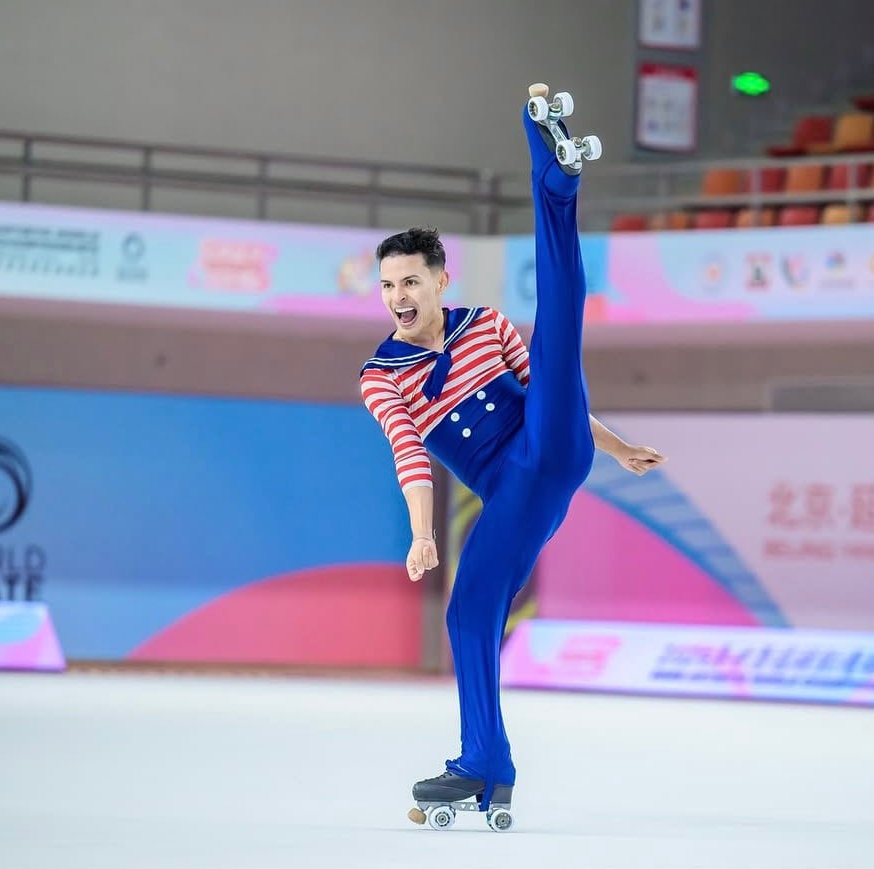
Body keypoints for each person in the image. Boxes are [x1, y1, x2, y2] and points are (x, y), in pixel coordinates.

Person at [359, 85, 666, 817]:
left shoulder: (486, 323)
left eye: (410, 281)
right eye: (387, 285)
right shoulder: (381, 375)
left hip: (550, 447)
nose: (398, 295)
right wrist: (423, 533)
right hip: (521, 487)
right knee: (471, 612)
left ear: (441, 279)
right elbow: (410, 454)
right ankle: (488, 762)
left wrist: (617, 447)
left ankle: (552, 165)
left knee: (560, 323)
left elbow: (554, 390)